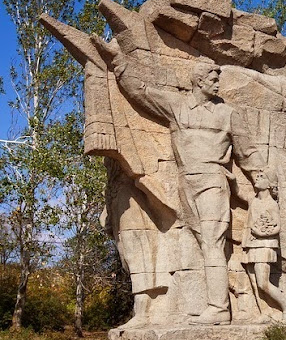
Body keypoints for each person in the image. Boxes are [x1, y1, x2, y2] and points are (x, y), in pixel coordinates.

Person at [94, 38, 265, 325]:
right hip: (186, 183)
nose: (217, 83)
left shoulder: (227, 113)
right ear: (198, 80)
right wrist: (116, 61)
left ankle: (219, 308)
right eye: (213, 77)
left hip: (214, 179)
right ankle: (196, 303)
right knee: (194, 242)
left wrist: (263, 182)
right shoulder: (177, 106)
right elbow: (140, 93)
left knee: (212, 242)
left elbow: (248, 153)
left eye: (218, 78)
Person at [241, 168, 286, 324]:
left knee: (262, 283)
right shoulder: (253, 200)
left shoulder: (272, 204)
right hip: (251, 244)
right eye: (256, 176)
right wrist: (231, 179)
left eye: (261, 177)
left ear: (270, 184)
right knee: (254, 282)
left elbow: (277, 227)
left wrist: (262, 233)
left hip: (264, 244)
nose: (257, 178)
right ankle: (265, 312)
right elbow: (238, 193)